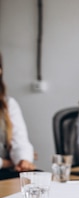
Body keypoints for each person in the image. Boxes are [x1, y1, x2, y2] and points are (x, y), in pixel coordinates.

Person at [0, 52, 36, 180]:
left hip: (5, 172)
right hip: (4, 168)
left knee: (38, 179)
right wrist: (6, 163)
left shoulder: (8, 104)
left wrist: (23, 159)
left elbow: (21, 141)